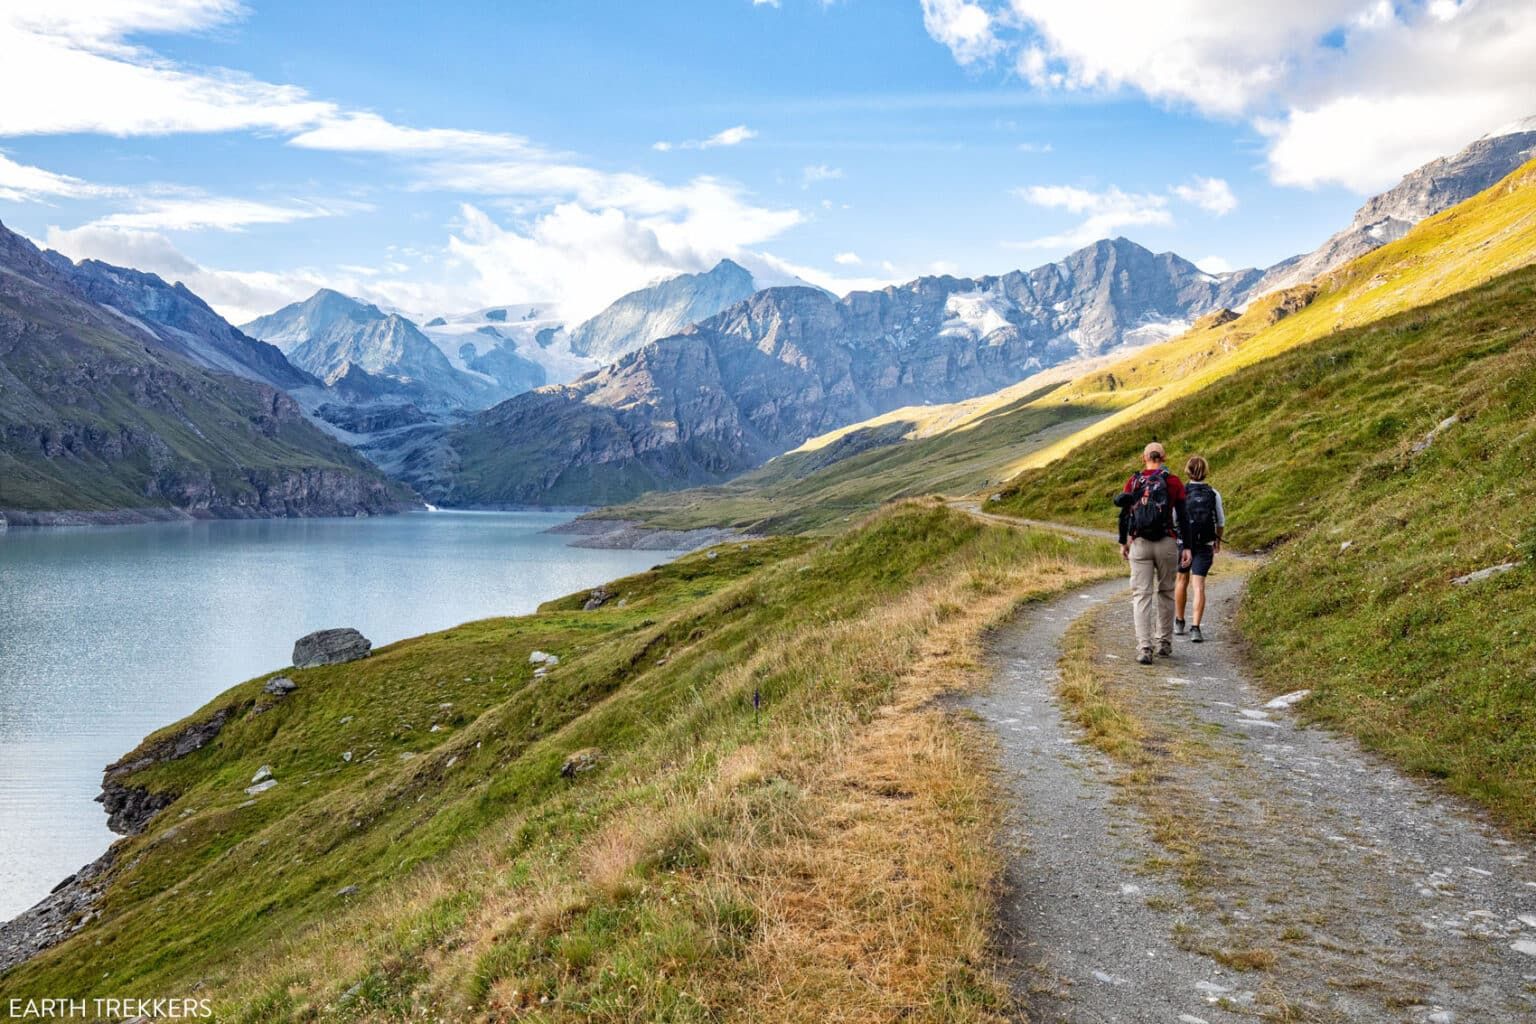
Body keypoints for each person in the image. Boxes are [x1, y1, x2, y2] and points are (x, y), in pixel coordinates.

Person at [1115, 441, 1190, 664]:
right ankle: (1164, 642)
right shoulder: (1173, 481)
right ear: (1163, 457)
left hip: (1140, 543)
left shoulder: (1134, 481)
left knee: (1141, 595)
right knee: (1166, 592)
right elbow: (1184, 516)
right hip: (1167, 543)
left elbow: (1125, 515)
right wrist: (1187, 547)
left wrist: (1124, 542)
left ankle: (1145, 647)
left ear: (1143, 457)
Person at [1174, 455, 1225, 643]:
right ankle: (1196, 628)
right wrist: (1217, 540)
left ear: (1187, 470)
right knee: (1199, 586)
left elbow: (1174, 519)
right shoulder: (1213, 493)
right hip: (1205, 543)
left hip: (1183, 543)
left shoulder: (1181, 492)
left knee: (1181, 580)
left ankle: (1179, 622)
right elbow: (1220, 521)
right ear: (1206, 471)